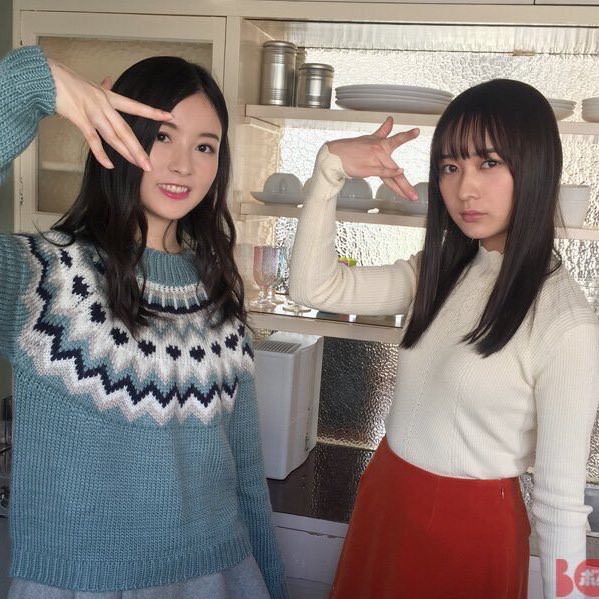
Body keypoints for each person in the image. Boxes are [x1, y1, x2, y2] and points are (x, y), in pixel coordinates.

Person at [289, 79, 599, 599]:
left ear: (536, 167)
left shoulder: (565, 322)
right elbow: (313, 287)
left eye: (489, 163)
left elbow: (561, 506)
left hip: (470, 533)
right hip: (386, 498)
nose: (464, 189)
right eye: (450, 167)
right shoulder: (438, 272)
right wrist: (329, 170)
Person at [0, 45, 288, 598]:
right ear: (118, 135)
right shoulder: (43, 274)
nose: (184, 165)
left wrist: (271, 584)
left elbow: (246, 471)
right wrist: (29, 84)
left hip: (219, 575)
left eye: (205, 146)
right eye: (162, 136)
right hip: (81, 583)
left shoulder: (218, 290)